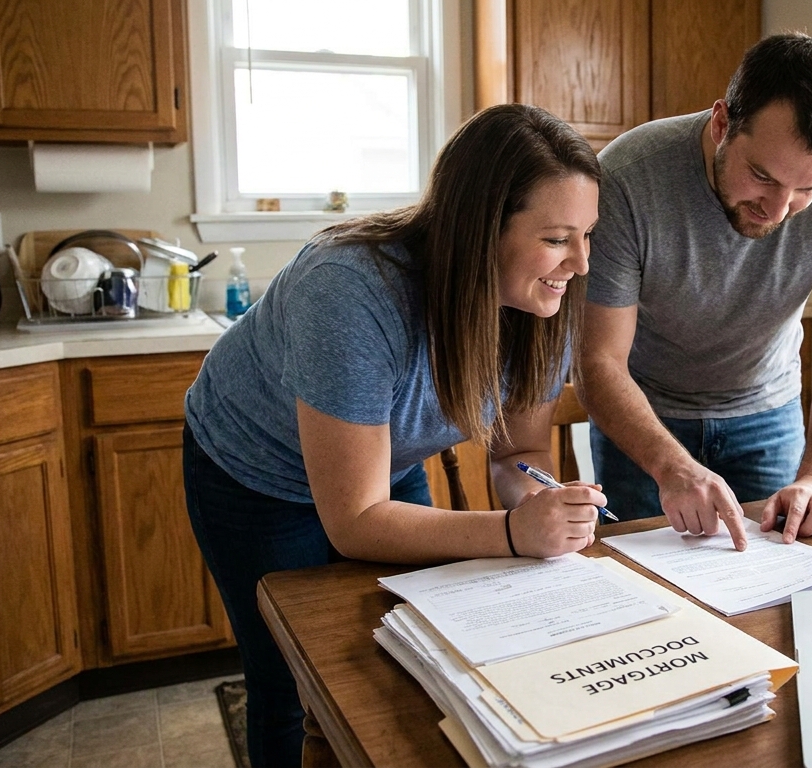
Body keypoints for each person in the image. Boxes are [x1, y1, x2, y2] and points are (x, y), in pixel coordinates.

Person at [182, 103, 606, 768]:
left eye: (588, 235)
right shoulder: (350, 291)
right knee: (293, 681)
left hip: (379, 465)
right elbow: (355, 521)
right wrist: (512, 535)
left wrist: (531, 501)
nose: (580, 263)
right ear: (479, 230)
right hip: (252, 472)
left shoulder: (542, 301)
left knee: (395, 655)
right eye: (557, 238)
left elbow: (519, 454)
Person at [577, 33, 812, 550]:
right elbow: (598, 361)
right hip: (646, 420)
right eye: (762, 176)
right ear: (722, 124)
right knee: (640, 595)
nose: (779, 209)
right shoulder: (628, 177)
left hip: (769, 416)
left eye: (808, 189)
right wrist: (672, 466)